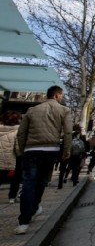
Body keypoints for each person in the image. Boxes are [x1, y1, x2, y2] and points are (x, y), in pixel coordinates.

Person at [15, 85, 73, 234]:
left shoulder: (32, 110)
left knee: (28, 184)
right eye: (62, 95)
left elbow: (21, 133)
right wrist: (66, 150)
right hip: (50, 151)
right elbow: (67, 132)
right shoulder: (64, 110)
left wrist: (22, 150)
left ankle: (23, 222)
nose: (62, 98)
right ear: (56, 95)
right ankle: (34, 208)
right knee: (41, 182)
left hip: (31, 151)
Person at [0, 111, 23, 203]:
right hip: (11, 159)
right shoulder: (17, 131)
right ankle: (12, 197)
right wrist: (20, 154)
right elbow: (17, 148)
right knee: (15, 178)